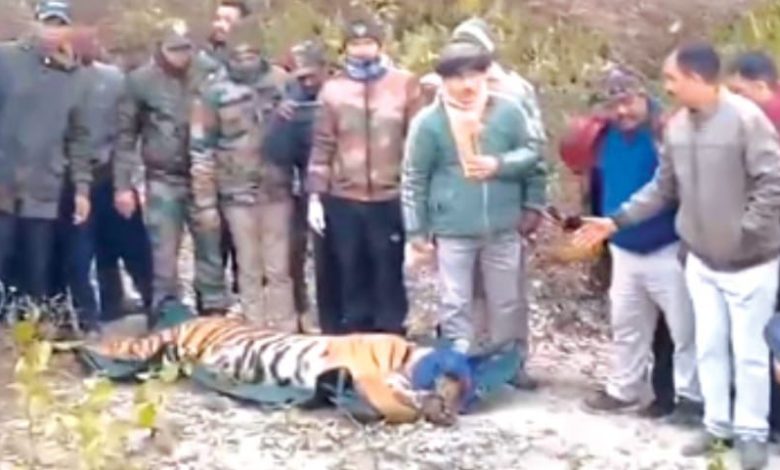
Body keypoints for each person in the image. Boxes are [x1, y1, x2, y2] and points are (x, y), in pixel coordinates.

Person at [574, 42, 780, 469]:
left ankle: (752, 433)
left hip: (750, 262)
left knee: (749, 352)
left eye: (672, 78)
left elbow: (772, 181)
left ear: (697, 78)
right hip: (702, 259)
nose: (666, 87)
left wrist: (746, 232)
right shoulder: (678, 127)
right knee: (709, 346)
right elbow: (662, 188)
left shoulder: (746, 119)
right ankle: (717, 427)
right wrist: (616, 221)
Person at [567, 67, 702, 422]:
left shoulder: (667, 132)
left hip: (668, 245)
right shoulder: (600, 136)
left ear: (644, 95)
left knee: (684, 330)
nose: (622, 111)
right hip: (622, 245)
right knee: (627, 325)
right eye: (614, 104)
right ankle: (624, 388)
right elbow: (593, 183)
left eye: (628, 101)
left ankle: (689, 398)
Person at [402, 40, 543, 355]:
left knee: (507, 301)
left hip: (503, 225)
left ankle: (506, 363)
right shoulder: (430, 122)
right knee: (455, 302)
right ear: (444, 80)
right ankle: (458, 365)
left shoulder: (509, 111)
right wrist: (416, 231)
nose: (467, 85)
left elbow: (533, 154)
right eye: (457, 77)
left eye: (474, 75)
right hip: (453, 227)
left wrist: (500, 165)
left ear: (485, 74)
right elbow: (414, 178)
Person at [307, 16, 421, 334]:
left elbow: (417, 141)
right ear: (345, 49)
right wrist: (315, 195)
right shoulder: (333, 90)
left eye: (368, 43)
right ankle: (354, 332)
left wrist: (417, 190)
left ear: (380, 45)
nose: (362, 50)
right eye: (355, 44)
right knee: (350, 267)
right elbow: (323, 143)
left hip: (390, 194)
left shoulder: (404, 84)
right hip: (345, 196)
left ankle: (390, 331)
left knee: (388, 267)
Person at [114, 21, 229, 328]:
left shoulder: (211, 72)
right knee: (162, 250)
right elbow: (125, 136)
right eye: (174, 50)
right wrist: (123, 185)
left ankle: (213, 309)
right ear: (161, 49)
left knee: (210, 244)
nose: (181, 56)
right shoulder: (140, 81)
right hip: (162, 177)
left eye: (185, 49)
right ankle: (165, 311)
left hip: (204, 176)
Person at [190, 18, 291, 328]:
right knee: (248, 267)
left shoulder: (281, 81)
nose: (245, 62)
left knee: (279, 268)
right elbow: (201, 149)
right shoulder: (213, 91)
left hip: (278, 188)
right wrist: (205, 202)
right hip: (235, 192)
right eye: (239, 56)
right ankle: (254, 329)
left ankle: (284, 329)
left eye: (251, 55)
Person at [0, 0, 92, 308]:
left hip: (44, 186)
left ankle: (31, 326)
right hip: (4, 182)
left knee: (37, 269)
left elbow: (79, 137)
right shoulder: (6, 59)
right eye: (47, 22)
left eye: (59, 24)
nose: (52, 30)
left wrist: (82, 189)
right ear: (35, 23)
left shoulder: (74, 76)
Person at [726, 50, 780, 440]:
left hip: (766, 243)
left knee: (765, 332)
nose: (733, 101)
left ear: (761, 86)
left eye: (739, 91)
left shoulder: (765, 124)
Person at [264, 40, 332, 332]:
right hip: (301, 187)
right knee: (295, 254)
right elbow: (276, 153)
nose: (307, 83)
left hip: (339, 187)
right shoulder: (293, 100)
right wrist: (280, 121)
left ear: (325, 69)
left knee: (336, 256)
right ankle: (302, 310)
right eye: (300, 77)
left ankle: (336, 316)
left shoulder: (340, 95)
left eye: (311, 76)